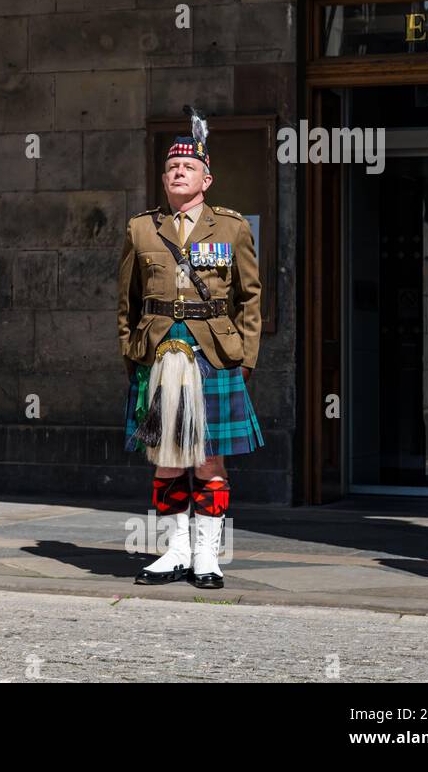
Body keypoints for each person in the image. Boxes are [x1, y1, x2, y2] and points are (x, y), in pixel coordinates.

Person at [117, 107, 263, 589]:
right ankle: (174, 552)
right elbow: (128, 298)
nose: (178, 172)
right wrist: (130, 349)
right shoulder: (141, 228)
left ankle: (207, 555)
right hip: (159, 350)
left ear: (207, 178)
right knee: (166, 454)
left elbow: (250, 296)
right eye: (171, 168)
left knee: (209, 458)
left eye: (187, 167)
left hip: (213, 352)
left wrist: (246, 356)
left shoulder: (232, 228)